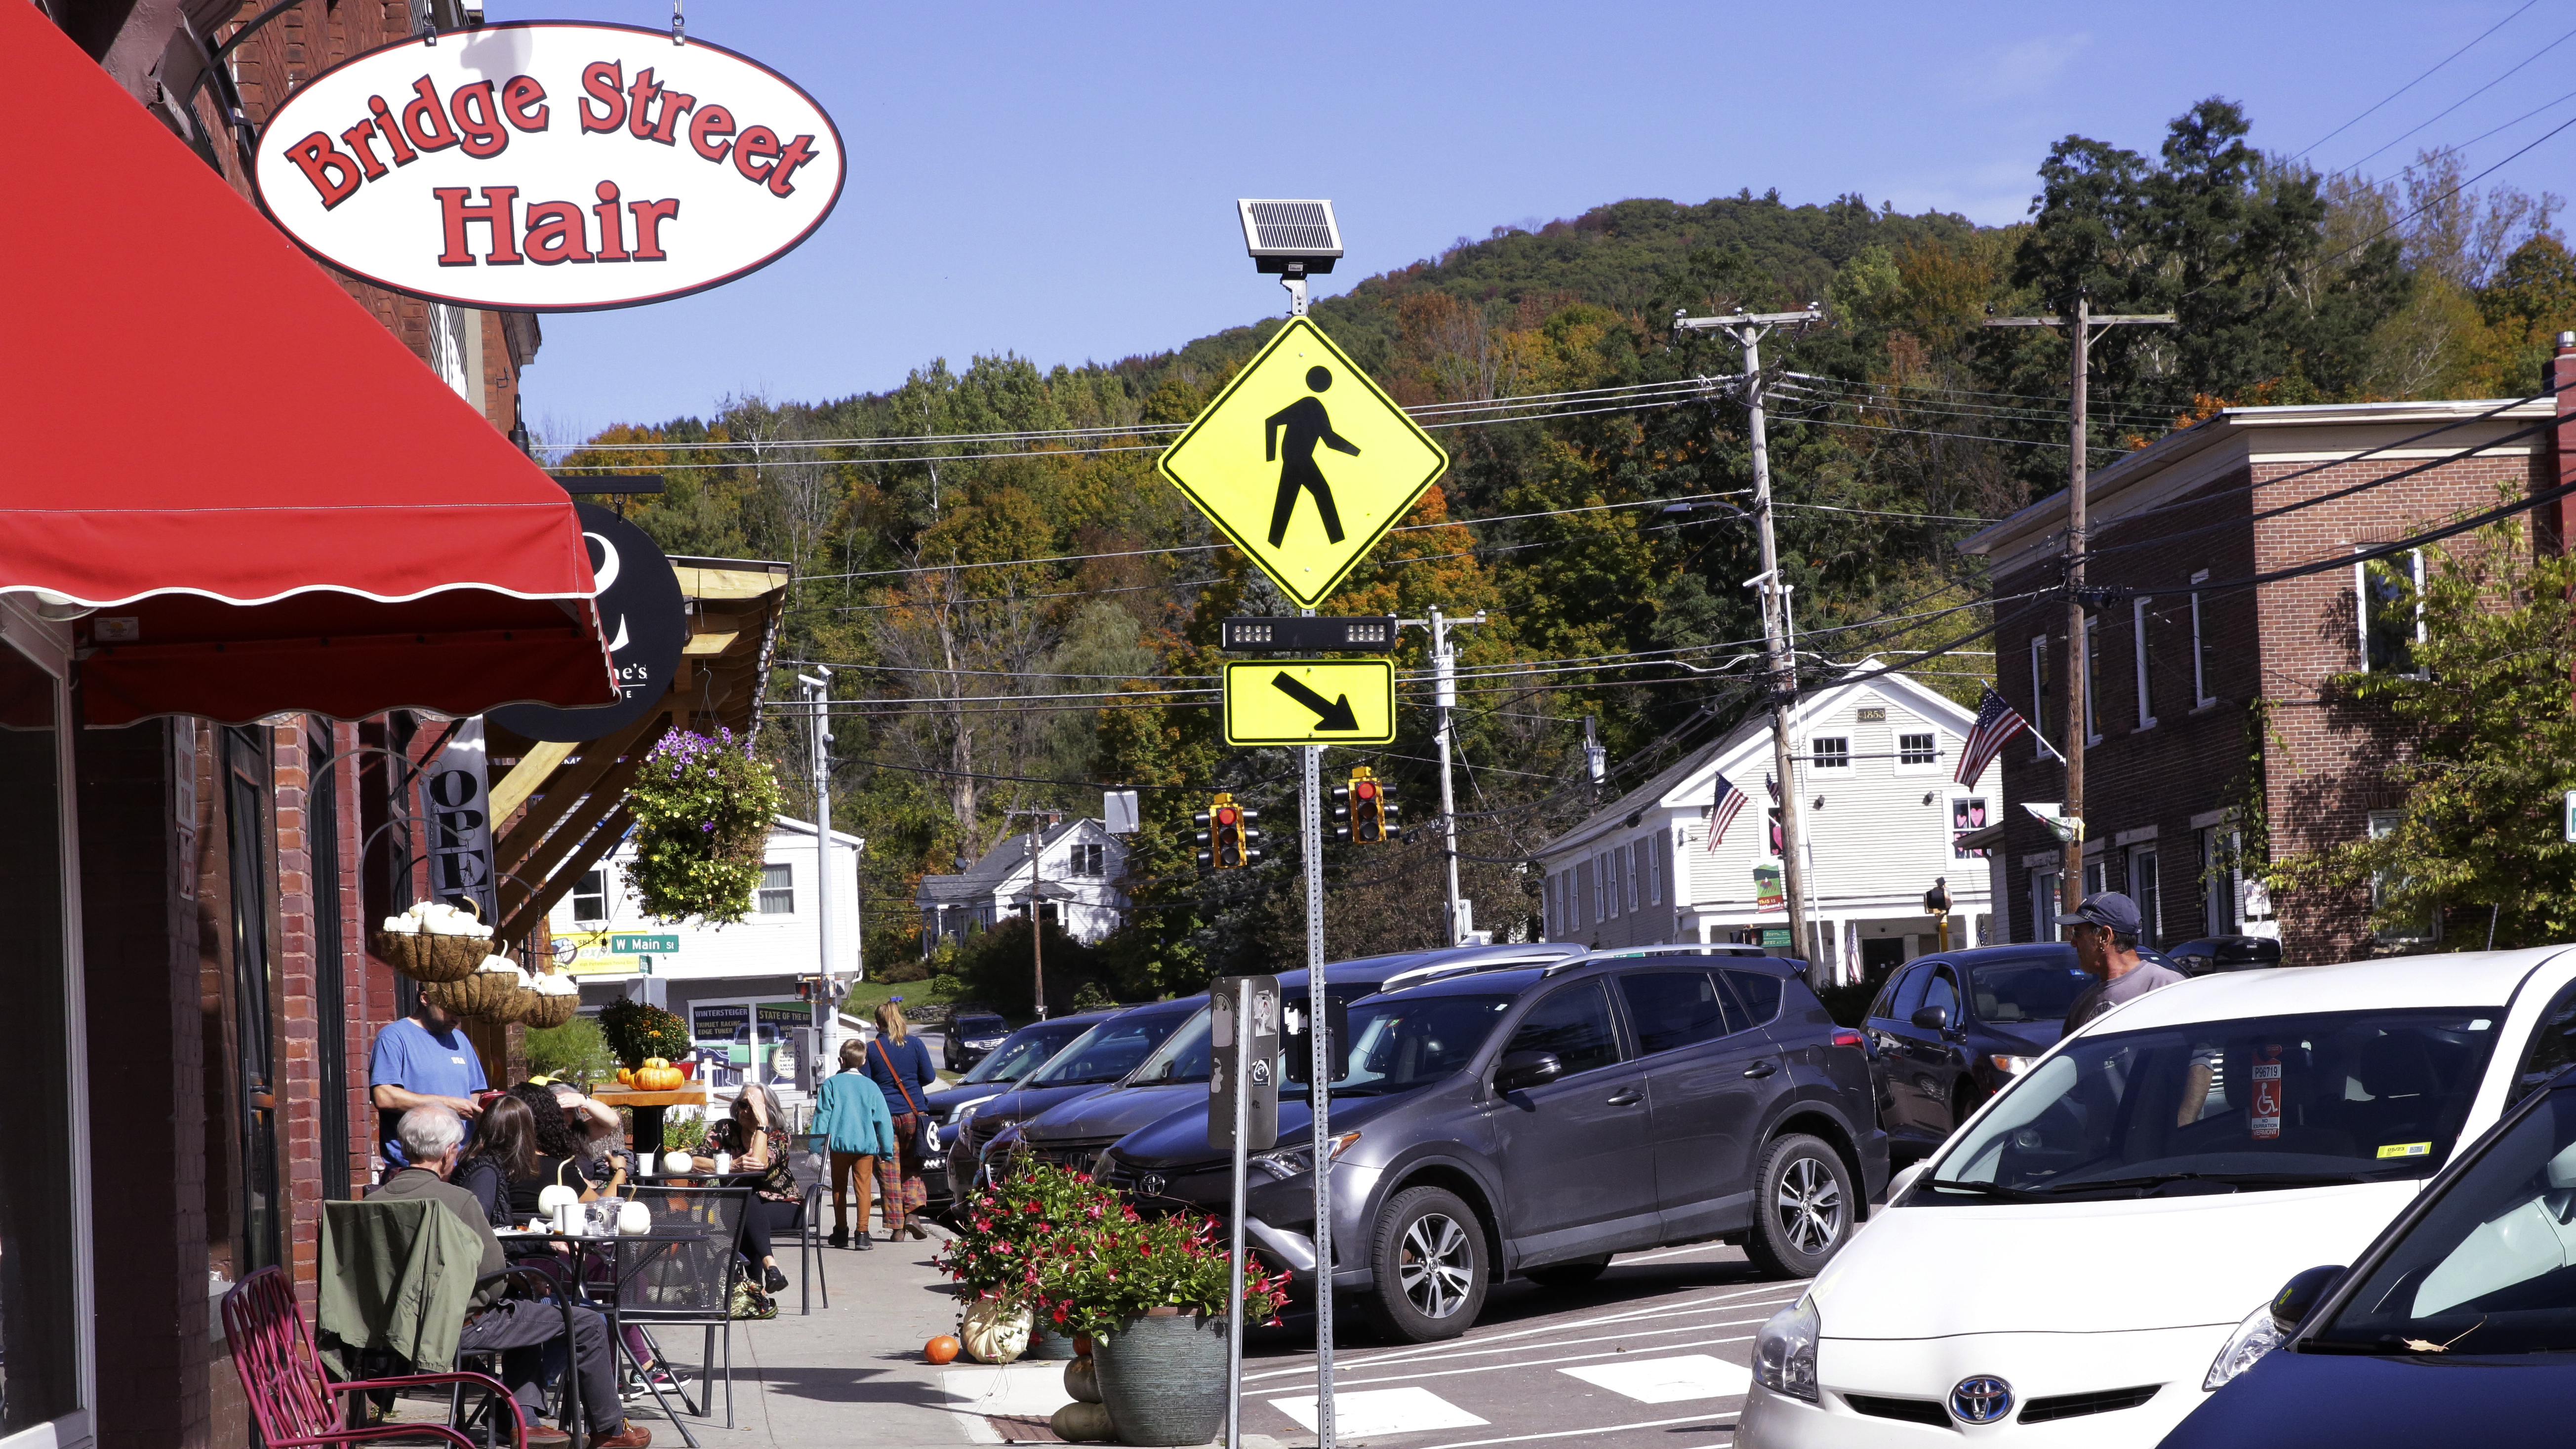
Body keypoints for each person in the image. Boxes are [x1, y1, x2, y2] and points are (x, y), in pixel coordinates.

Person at [376, 1107, 650, 1449]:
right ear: (448, 1152)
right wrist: (521, 1282)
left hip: (385, 1332)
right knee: (586, 1321)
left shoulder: (372, 1201)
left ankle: (522, 1419)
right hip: (455, 1328)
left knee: (529, 1315)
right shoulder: (459, 1201)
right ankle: (609, 1431)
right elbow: (493, 1278)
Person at [692, 1081, 801, 1292]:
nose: (745, 1111)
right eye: (743, 1105)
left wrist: (763, 1126)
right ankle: (770, 1270)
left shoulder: (779, 1136)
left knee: (745, 1208)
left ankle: (754, 1286)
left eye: (753, 1107)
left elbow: (759, 1163)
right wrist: (731, 1166)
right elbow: (695, 1161)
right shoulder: (725, 1130)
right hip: (738, 1206)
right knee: (744, 1202)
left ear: (767, 1111)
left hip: (784, 1205)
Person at [368, 995, 486, 1169]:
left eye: (461, 1012)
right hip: (415, 1165)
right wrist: (448, 1105)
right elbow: (384, 1096)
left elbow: (474, 1093)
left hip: (460, 1163)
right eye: (450, 1010)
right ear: (425, 998)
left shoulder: (460, 1040)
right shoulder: (393, 1037)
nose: (457, 1019)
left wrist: (486, 1106)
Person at [861, 1002, 938, 1241]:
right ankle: (913, 1214)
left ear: (877, 1024)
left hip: (884, 1117)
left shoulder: (871, 1049)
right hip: (914, 1114)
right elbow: (929, 1076)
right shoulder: (915, 1044)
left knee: (888, 1171)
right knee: (913, 1166)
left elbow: (868, 1085)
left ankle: (897, 1229)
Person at [2059, 891, 2184, 1033]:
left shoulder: (2165, 985)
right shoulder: (2082, 1005)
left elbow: (2194, 1043)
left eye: (2077, 934)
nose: (2073, 943)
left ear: (2105, 936)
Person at [812, 1039, 895, 1250]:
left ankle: (841, 1232)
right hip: (865, 1147)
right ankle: (863, 1234)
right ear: (864, 1061)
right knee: (863, 1187)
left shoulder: (831, 1084)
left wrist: (815, 1146)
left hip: (839, 1146)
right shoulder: (871, 1086)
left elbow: (822, 1116)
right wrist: (886, 1149)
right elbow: (883, 1120)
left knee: (839, 1187)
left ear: (841, 1060)